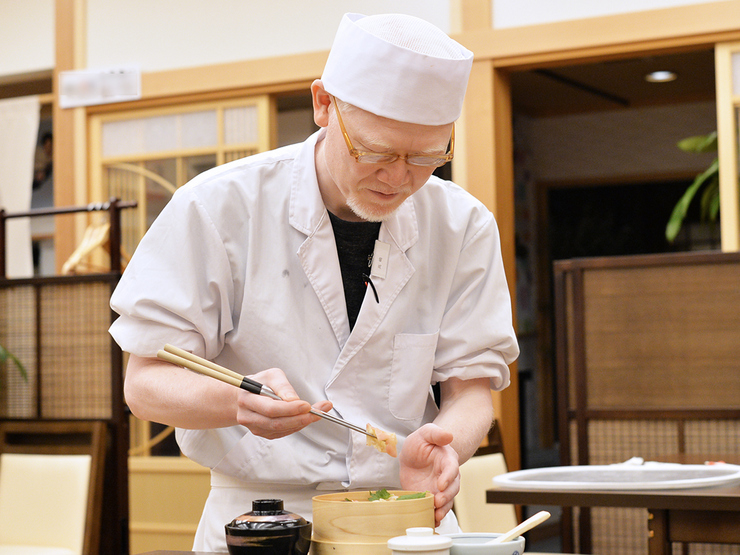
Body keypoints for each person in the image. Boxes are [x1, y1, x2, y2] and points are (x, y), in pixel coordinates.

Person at [110, 12, 519, 552]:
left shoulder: (462, 224)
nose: (398, 178)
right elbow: (144, 382)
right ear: (324, 104)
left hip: (405, 516)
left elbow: (472, 391)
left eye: (425, 158)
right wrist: (236, 404)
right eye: (376, 151)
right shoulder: (218, 207)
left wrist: (448, 445)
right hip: (261, 522)